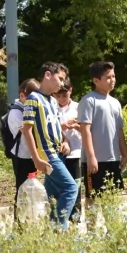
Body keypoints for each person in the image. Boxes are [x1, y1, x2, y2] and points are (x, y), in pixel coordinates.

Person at [21, 61, 76, 229]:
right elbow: (27, 130)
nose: (62, 83)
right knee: (71, 189)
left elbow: (54, 127)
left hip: (58, 152)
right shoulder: (33, 99)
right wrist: (36, 159)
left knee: (53, 195)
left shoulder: (52, 101)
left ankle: (50, 235)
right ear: (47, 75)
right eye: (60, 78)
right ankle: (60, 229)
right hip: (47, 155)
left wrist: (65, 141)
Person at [77, 61, 127, 205]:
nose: (113, 80)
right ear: (96, 80)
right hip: (95, 161)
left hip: (113, 158)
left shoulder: (115, 102)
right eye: (108, 77)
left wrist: (124, 153)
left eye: (113, 76)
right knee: (92, 197)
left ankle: (111, 227)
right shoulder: (88, 101)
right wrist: (91, 157)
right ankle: (92, 228)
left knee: (112, 196)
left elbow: (119, 130)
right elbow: (85, 130)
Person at [8, 78, 41, 212]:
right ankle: (20, 225)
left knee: (33, 190)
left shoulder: (28, 109)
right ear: (22, 95)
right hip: (22, 157)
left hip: (32, 156)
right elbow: (28, 132)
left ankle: (31, 221)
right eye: (31, 98)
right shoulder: (16, 112)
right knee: (22, 191)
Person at [55, 78, 83, 222]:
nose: (61, 99)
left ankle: (75, 219)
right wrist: (63, 126)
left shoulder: (78, 107)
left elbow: (87, 129)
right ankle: (61, 218)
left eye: (64, 96)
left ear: (70, 90)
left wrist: (76, 126)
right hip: (58, 154)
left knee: (75, 187)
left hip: (76, 152)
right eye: (58, 96)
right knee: (61, 187)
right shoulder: (53, 108)